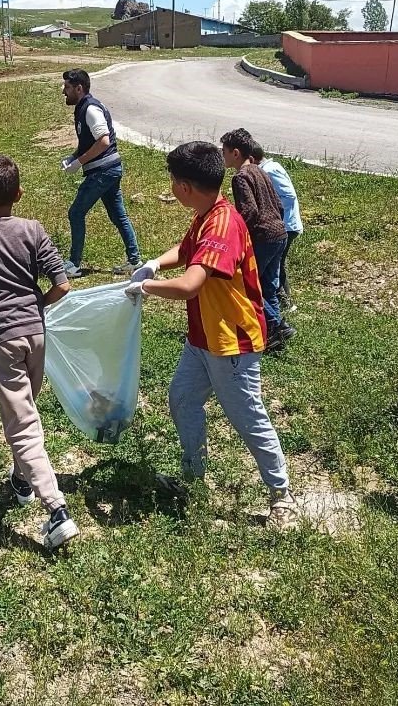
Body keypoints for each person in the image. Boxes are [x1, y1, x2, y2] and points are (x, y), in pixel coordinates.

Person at [126, 142, 298, 528]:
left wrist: (145, 288)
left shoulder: (222, 225)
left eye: (173, 181)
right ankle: (193, 478)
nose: (171, 186)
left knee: (247, 416)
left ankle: (282, 494)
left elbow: (190, 285)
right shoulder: (208, 213)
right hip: (203, 337)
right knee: (182, 399)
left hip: (231, 342)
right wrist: (154, 264)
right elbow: (187, 250)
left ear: (185, 187)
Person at [0, 154, 79, 549]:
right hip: (36, 333)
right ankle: (22, 479)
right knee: (27, 409)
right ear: (19, 193)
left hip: (1, 338)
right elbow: (62, 285)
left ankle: (56, 508)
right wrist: (35, 304)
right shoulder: (33, 229)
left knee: (22, 424)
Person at [60, 68, 142, 278]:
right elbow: (89, 142)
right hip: (109, 169)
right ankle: (134, 261)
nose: (63, 91)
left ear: (79, 88)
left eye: (67, 87)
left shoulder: (90, 109)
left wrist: (79, 162)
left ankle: (74, 264)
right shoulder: (85, 108)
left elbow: (103, 141)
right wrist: (73, 156)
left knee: (76, 212)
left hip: (103, 172)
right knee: (118, 215)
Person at [221, 128, 294, 352]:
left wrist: (235, 233)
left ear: (235, 153)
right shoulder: (259, 170)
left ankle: (277, 325)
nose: (222, 155)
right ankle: (274, 334)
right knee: (268, 287)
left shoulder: (241, 177)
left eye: (224, 151)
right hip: (280, 234)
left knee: (246, 285)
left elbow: (249, 211)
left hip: (262, 237)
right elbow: (279, 205)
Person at [252, 143, 303, 313]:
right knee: (277, 264)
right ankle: (284, 302)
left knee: (274, 265)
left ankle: (283, 302)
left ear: (251, 159)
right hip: (284, 225)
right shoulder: (269, 168)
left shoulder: (269, 170)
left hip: (285, 225)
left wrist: (270, 212)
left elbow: (289, 196)